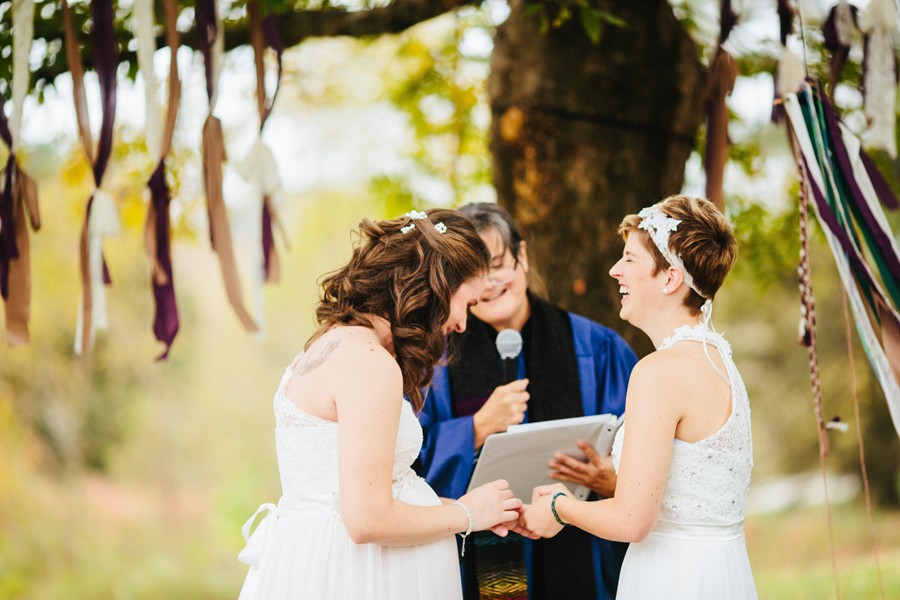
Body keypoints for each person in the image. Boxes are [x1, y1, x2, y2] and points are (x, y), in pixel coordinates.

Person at [236, 209, 532, 600]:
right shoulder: (370, 363)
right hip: (359, 575)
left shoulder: (330, 342)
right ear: (437, 286)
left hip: (321, 560)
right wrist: (467, 514)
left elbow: (368, 493)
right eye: (467, 302)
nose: (462, 323)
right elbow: (367, 520)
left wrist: (474, 508)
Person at [519, 195, 757, 598]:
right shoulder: (719, 359)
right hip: (721, 570)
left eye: (629, 259)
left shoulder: (657, 372)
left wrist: (559, 507)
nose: (615, 271)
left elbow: (632, 521)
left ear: (669, 278)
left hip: (673, 576)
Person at [417, 203, 637, 600]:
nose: (489, 283)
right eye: (473, 273)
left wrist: (613, 481)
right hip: (479, 554)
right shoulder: (434, 362)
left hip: (582, 544)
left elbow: (641, 442)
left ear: (523, 256)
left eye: (498, 264)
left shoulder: (596, 347)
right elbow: (405, 466)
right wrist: (476, 428)